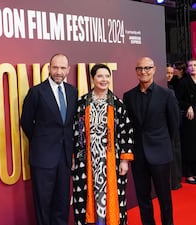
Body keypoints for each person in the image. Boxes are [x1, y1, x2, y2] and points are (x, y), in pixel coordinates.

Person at [72, 64, 134, 225]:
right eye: (100, 76)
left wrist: (124, 160)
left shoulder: (117, 104)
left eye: (107, 76)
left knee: (112, 198)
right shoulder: (81, 103)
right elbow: (74, 132)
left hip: (111, 160)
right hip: (86, 160)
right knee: (85, 197)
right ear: (93, 78)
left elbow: (126, 132)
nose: (104, 80)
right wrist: (74, 156)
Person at [20, 53, 78, 225]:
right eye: (55, 67)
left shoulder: (72, 91)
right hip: (43, 158)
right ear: (49, 68)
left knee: (62, 203)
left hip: (65, 157)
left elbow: (71, 122)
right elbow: (26, 122)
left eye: (62, 68)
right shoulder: (36, 92)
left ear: (68, 69)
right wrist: (41, 141)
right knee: (43, 204)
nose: (59, 72)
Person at [123, 57, 179, 225]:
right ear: (136, 71)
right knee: (143, 198)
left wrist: (163, 144)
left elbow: (174, 125)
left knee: (164, 198)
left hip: (161, 154)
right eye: (140, 68)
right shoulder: (129, 96)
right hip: (139, 155)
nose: (144, 71)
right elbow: (128, 127)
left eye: (147, 68)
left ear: (154, 70)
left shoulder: (167, 94)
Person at [176, 58, 196, 185]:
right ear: (187, 68)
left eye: (195, 65)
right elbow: (177, 100)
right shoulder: (183, 82)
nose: (193, 67)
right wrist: (188, 106)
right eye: (190, 65)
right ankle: (189, 173)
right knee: (190, 145)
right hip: (190, 119)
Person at [166, 63, 182, 190]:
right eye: (167, 73)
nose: (169, 75)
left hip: (174, 126)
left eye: (171, 73)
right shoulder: (166, 90)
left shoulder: (173, 87)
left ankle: (175, 181)